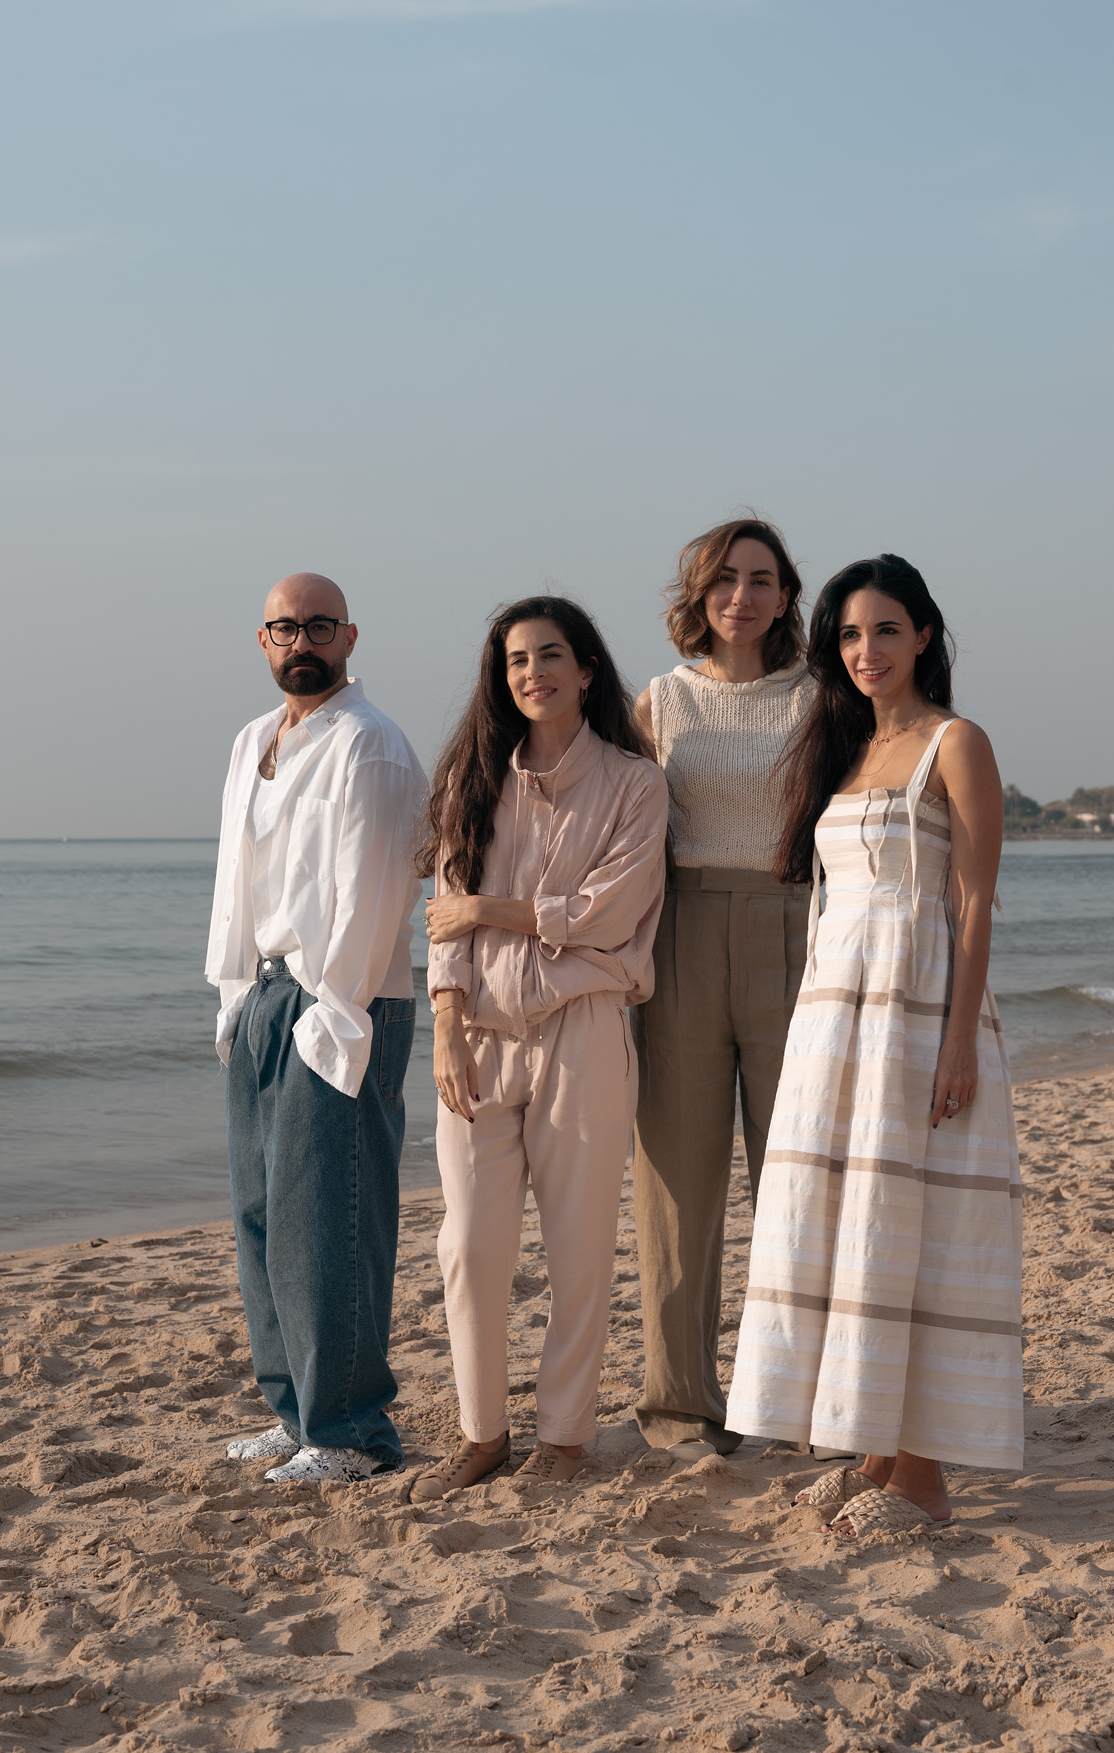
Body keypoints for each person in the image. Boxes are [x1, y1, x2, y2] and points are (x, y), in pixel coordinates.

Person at [724, 554, 1023, 1534]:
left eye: (883, 630)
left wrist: (957, 1043)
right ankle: (874, 1451)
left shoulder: (954, 742)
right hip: (835, 1022)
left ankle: (924, 1478)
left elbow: (972, 900)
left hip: (919, 1012)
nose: (865, 651)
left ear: (923, 634)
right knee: (852, 1226)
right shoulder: (843, 754)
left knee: (915, 1230)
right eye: (848, 636)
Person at [414, 595, 668, 1500]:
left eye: (550, 655)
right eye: (516, 661)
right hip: (476, 1041)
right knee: (469, 1247)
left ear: (587, 670)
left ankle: (563, 1436)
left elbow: (611, 911)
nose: (533, 673)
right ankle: (481, 1435)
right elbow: (439, 928)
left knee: (578, 1247)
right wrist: (444, 1026)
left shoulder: (636, 786)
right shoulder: (468, 782)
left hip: (583, 1035)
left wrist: (490, 910)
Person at [206, 572, 427, 1484]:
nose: (303, 641)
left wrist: (333, 1018)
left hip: (341, 1001)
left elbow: (376, 893)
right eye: (285, 628)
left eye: (320, 626)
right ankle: (296, 1413)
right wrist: (232, 999)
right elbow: (237, 877)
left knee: (328, 1221)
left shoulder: (368, 746)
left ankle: (351, 1433)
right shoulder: (255, 740)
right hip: (263, 996)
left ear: (350, 637)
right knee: (262, 1217)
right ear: (262, 640)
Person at [632, 517, 815, 1458]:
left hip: (801, 932)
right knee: (678, 1183)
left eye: (761, 579)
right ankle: (680, 1407)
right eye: (724, 580)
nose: (741, 596)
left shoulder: (824, 699)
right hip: (681, 937)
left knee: (796, 1181)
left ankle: (805, 1401)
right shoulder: (659, 701)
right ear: (698, 595)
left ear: (786, 596)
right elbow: (610, 822)